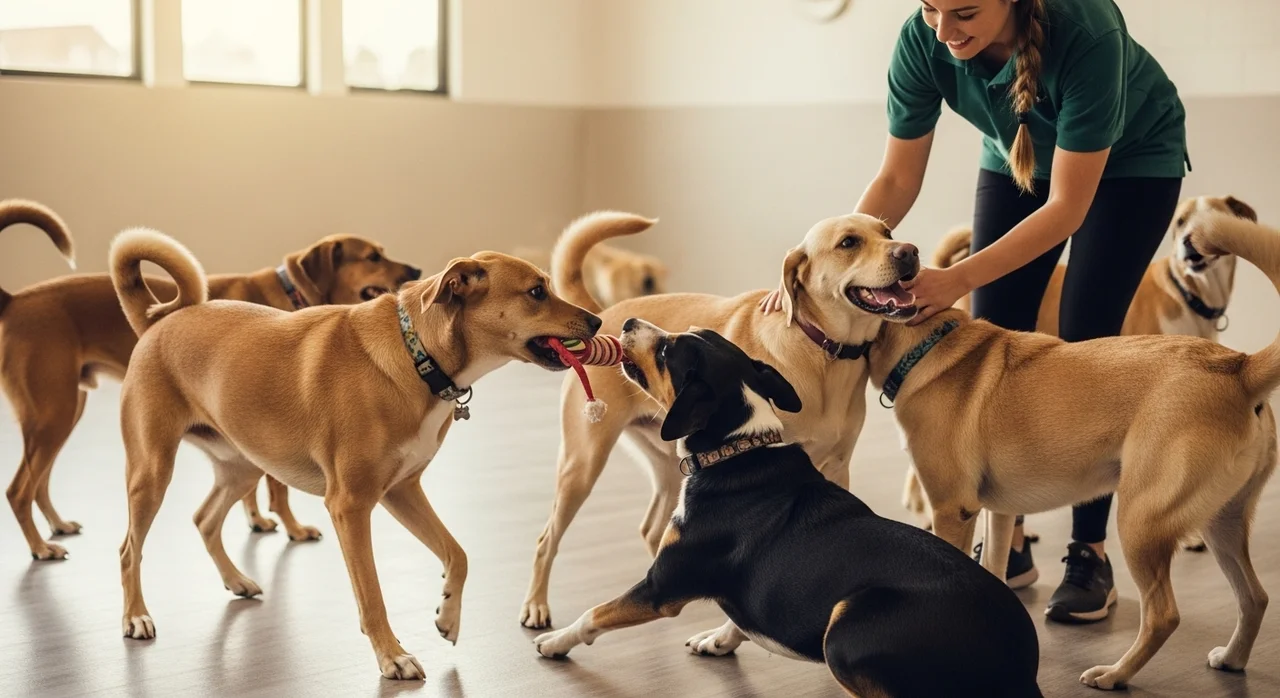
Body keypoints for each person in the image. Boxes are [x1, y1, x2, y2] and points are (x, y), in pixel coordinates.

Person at [761, 0, 1189, 623]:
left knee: (1085, 336)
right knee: (996, 325)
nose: (943, 30)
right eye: (931, 8)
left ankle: (1089, 552)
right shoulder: (922, 40)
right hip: (1016, 154)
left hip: (1132, 165)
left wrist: (956, 277)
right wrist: (834, 261)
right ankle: (1007, 545)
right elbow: (896, 180)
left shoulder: (1086, 30)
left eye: (963, 12)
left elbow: (1066, 208)